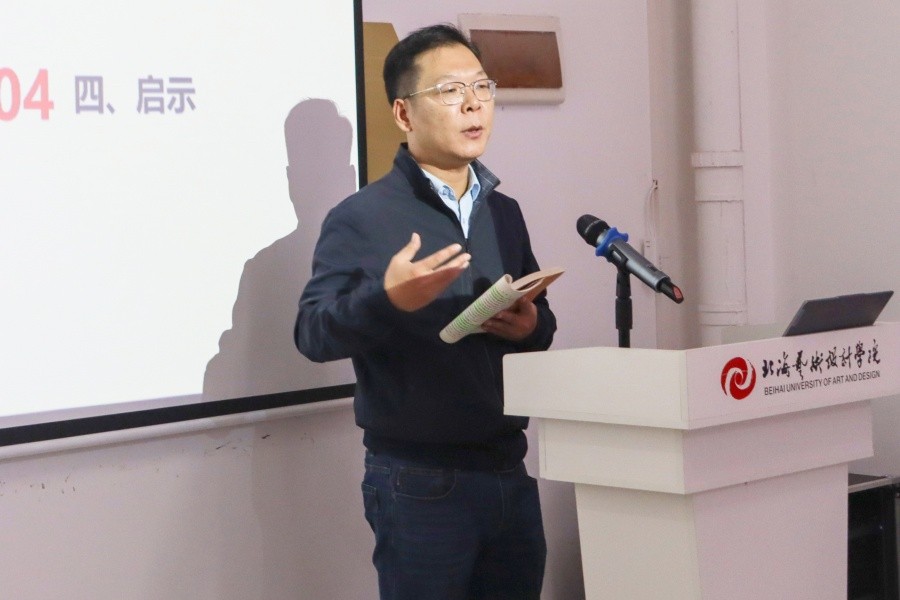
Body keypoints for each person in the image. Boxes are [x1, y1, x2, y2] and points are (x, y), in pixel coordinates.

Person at [294, 23, 556, 600]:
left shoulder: (504, 212)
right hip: (418, 482)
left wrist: (532, 325)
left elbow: (541, 323)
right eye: (450, 91)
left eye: (482, 87)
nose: (473, 104)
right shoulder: (360, 217)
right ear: (404, 114)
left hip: (510, 470)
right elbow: (312, 333)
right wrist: (386, 300)